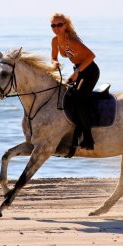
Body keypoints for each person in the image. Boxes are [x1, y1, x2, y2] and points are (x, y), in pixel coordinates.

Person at [50, 13, 100, 150]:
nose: (56, 28)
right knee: (67, 96)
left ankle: (88, 139)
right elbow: (54, 58)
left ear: (66, 25)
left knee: (79, 100)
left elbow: (91, 56)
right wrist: (55, 64)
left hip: (89, 71)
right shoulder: (55, 41)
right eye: (53, 25)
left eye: (59, 25)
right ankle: (73, 133)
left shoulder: (71, 40)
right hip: (78, 70)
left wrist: (76, 73)